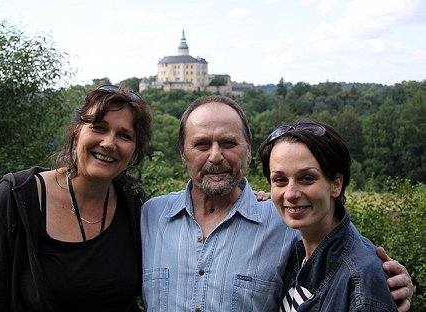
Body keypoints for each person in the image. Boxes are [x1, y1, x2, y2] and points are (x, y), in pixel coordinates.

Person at [141, 95, 414, 311]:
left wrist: (383, 280)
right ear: (182, 154)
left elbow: (340, 250)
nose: (215, 156)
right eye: (201, 145)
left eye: (228, 143)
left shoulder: (284, 220)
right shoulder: (150, 216)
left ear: (248, 152)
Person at [0, 85, 152, 312]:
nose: (109, 143)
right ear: (76, 131)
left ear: (135, 150)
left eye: (124, 135)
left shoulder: (132, 200)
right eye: (99, 128)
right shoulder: (15, 199)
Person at [258, 120, 399, 311]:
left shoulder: (361, 281)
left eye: (307, 178)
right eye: (280, 180)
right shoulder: (297, 255)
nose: (290, 194)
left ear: (336, 184)